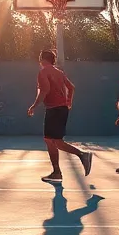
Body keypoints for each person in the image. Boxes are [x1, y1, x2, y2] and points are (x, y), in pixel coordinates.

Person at [27, 49, 92, 183]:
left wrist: (34, 105)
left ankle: (80, 156)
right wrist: (68, 102)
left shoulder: (43, 72)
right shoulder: (59, 72)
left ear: (41, 59)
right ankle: (58, 171)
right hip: (61, 109)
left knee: (51, 140)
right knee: (53, 141)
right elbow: (71, 87)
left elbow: (45, 90)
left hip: (54, 109)